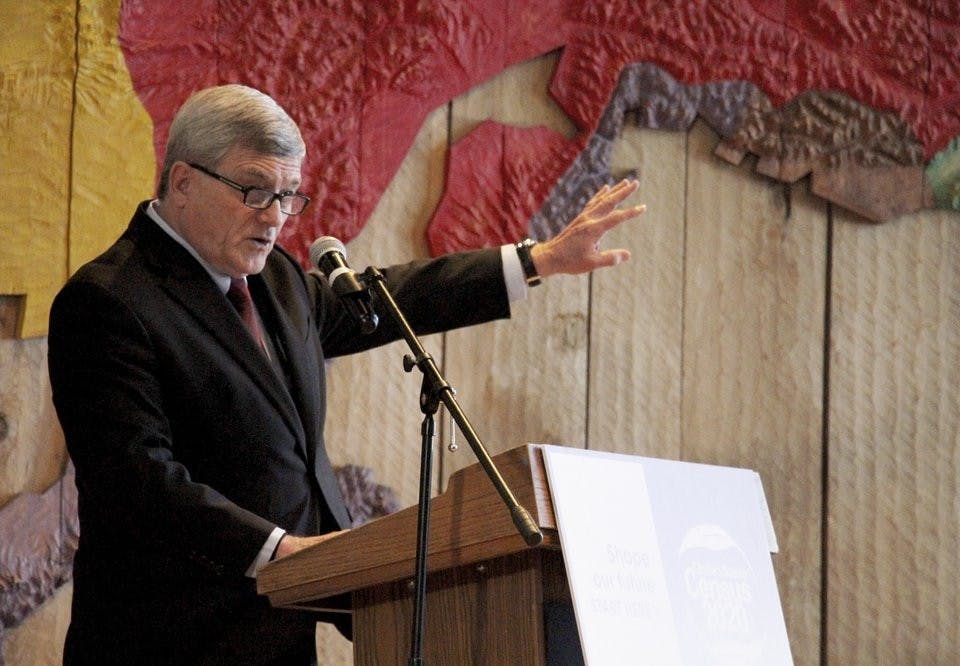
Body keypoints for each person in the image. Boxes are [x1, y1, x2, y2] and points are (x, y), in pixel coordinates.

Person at [47, 83, 644, 664]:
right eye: (256, 191)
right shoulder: (110, 301)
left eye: (290, 195)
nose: (277, 216)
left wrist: (535, 261)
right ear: (183, 181)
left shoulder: (272, 279)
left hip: (280, 627)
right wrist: (282, 552)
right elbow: (136, 479)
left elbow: (386, 303)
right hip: (165, 636)